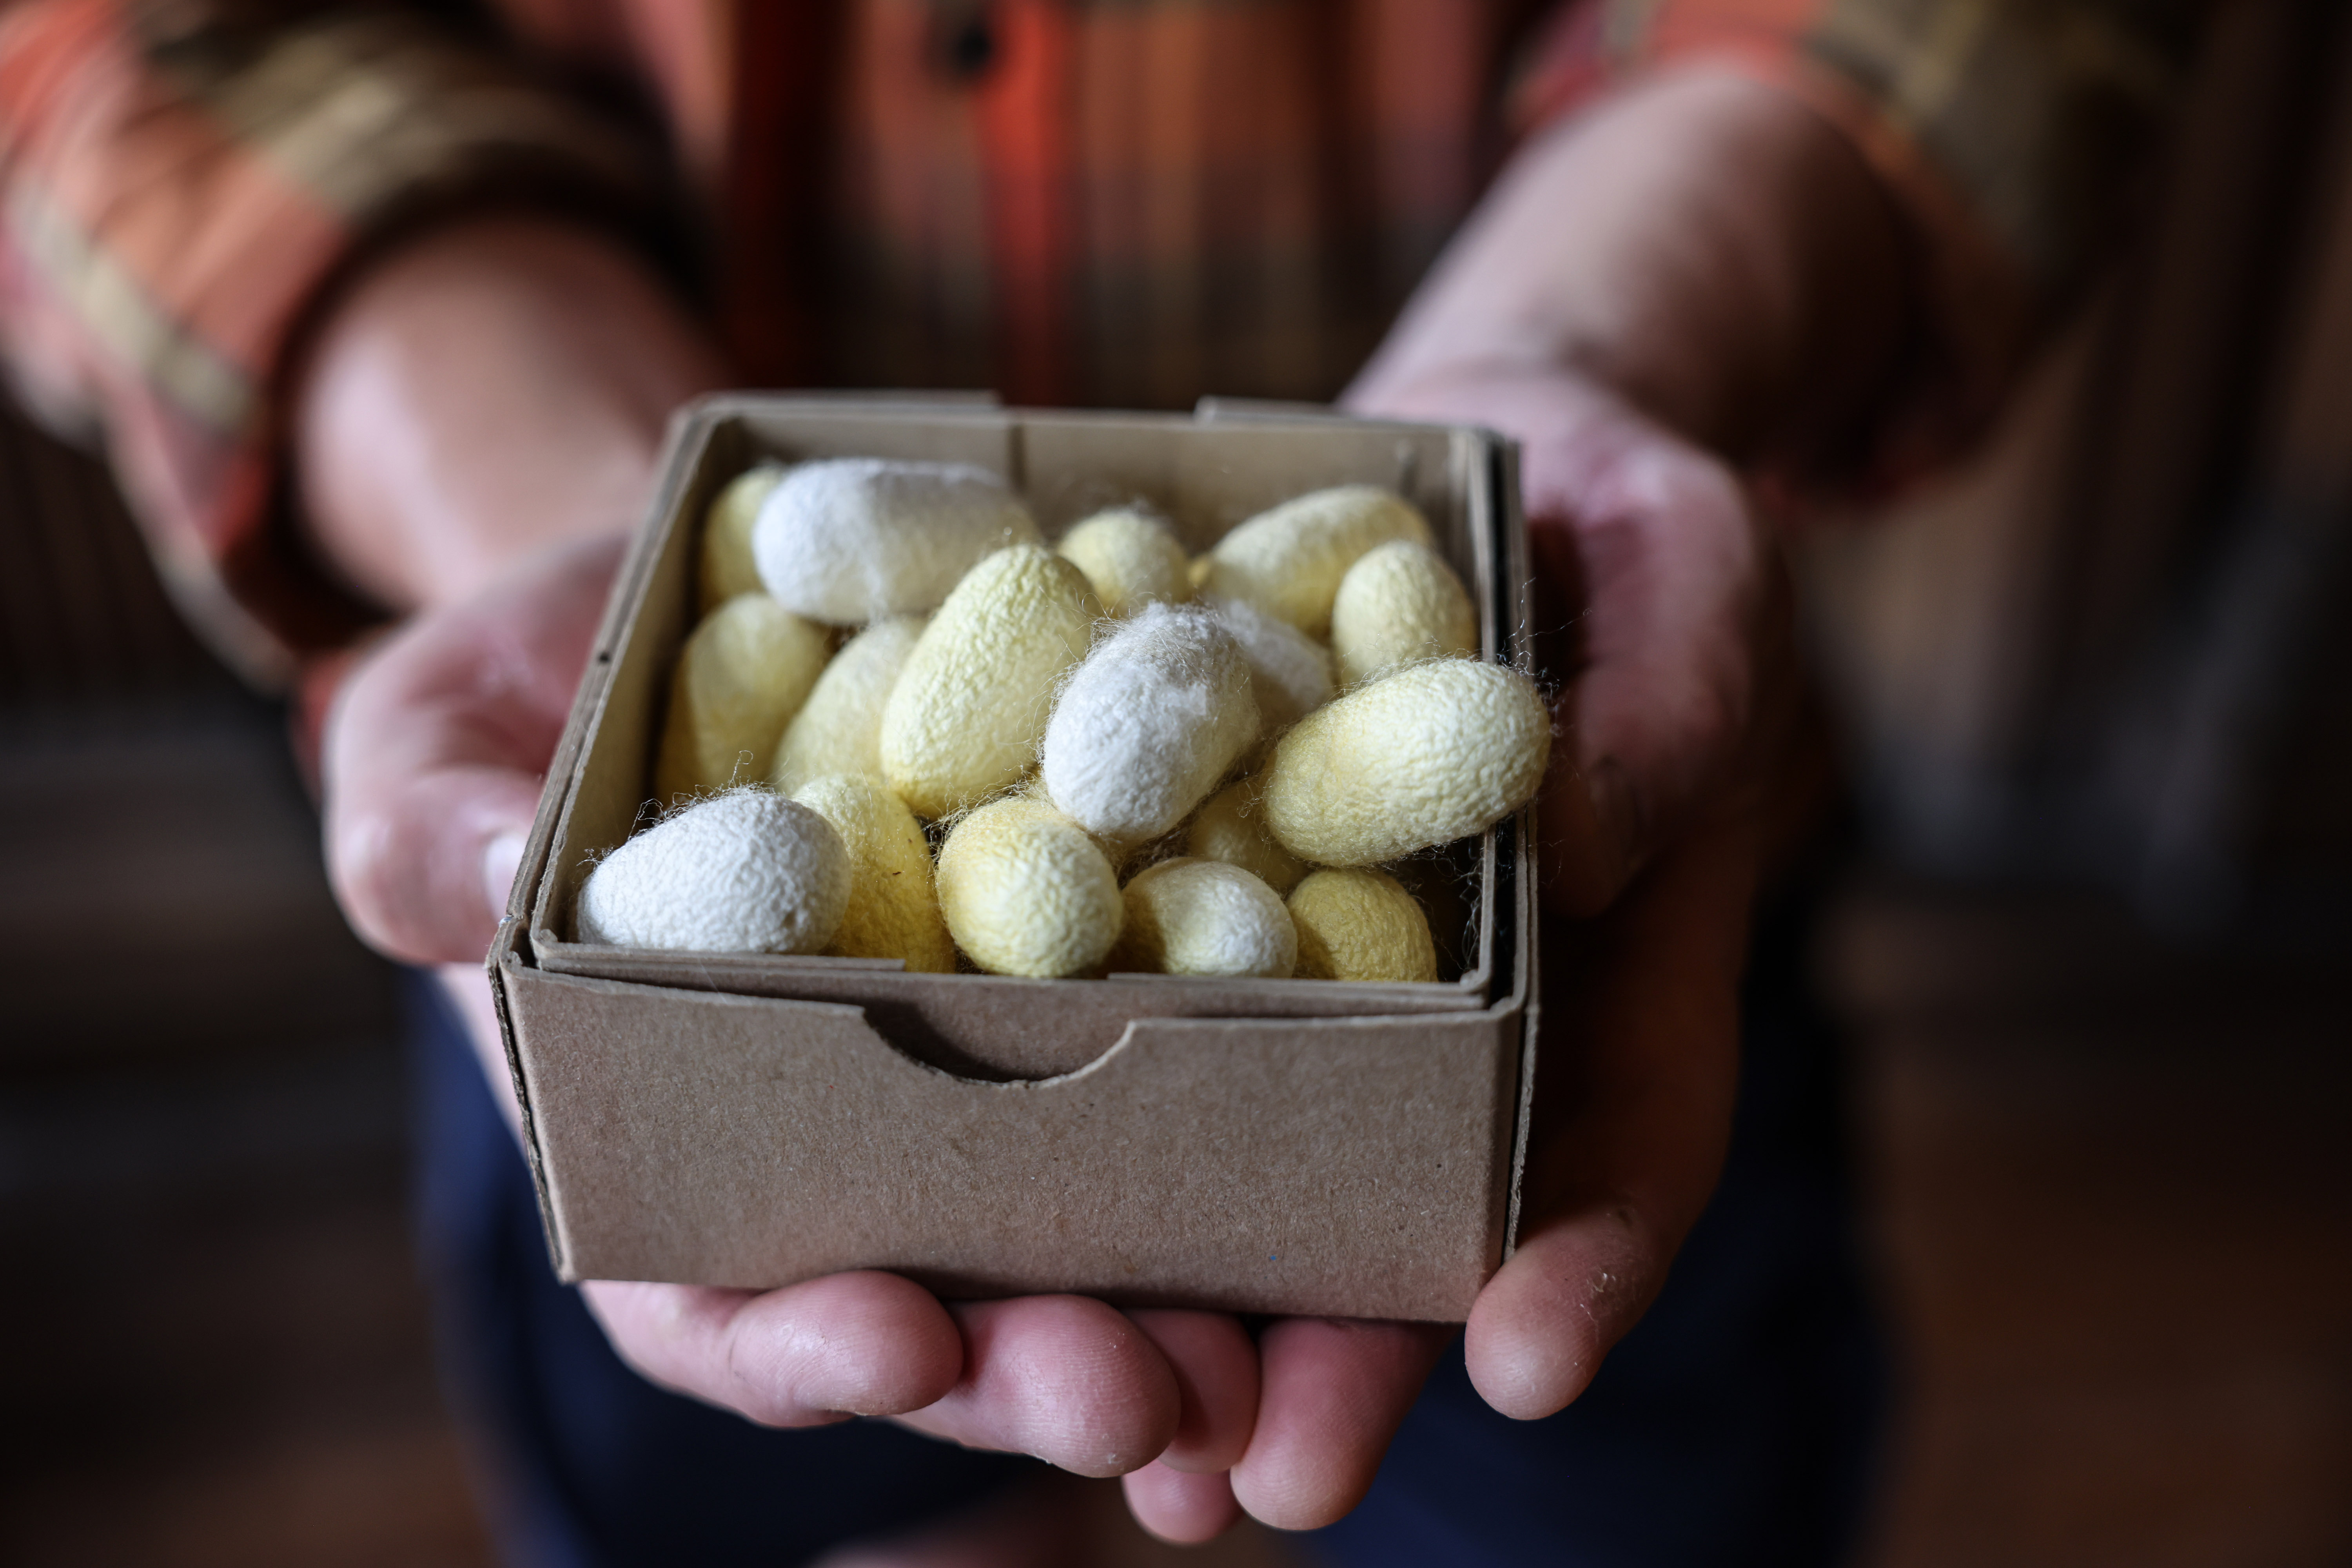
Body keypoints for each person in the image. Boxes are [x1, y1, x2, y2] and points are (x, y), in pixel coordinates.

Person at [0, 1, 2210, 1561]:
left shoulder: (1191, 685)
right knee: (818, 1465)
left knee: (1608, 1469)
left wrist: (1611, 340)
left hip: (1633, 866)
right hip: (610, 528)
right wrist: (498, 470)